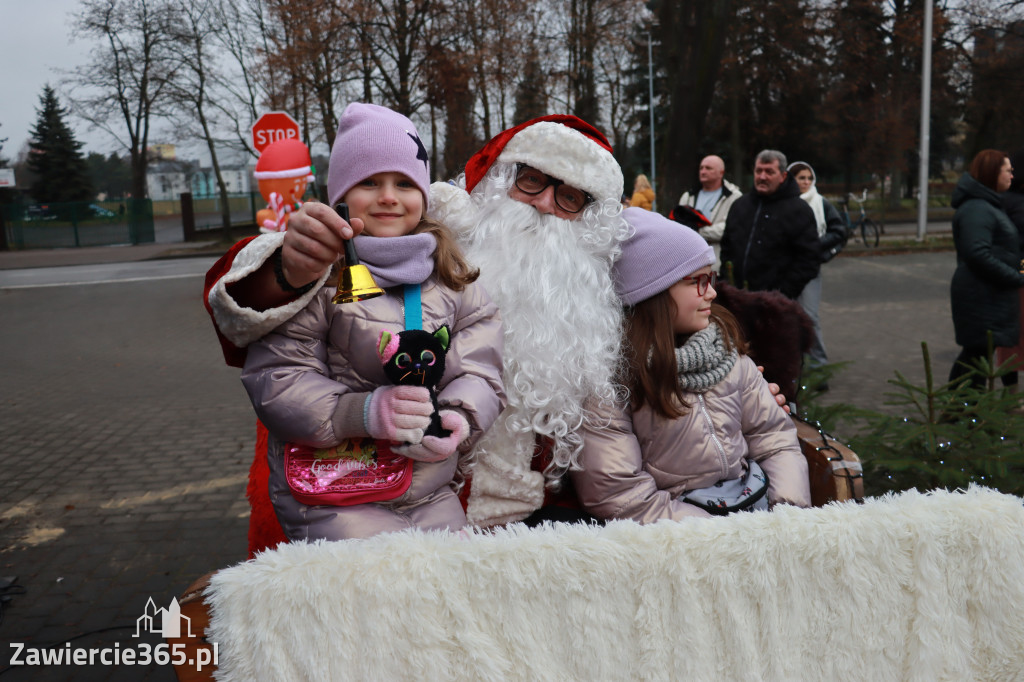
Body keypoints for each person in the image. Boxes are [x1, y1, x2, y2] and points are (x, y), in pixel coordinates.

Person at [234, 102, 505, 541]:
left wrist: (456, 419)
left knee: (449, 599)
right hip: (335, 492)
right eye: (369, 182)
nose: (388, 196)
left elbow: (481, 368)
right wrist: (360, 412)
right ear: (339, 195)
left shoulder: (454, 279)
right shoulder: (317, 275)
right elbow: (278, 377)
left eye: (404, 182)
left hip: (431, 489)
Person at [571, 208, 811, 522]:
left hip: (755, 512)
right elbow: (618, 493)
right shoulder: (611, 383)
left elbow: (774, 438)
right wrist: (712, 536)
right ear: (652, 292)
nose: (711, 292)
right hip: (680, 538)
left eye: (711, 278)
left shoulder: (727, 354)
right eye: (697, 281)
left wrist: (787, 513)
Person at [948, 149, 1024, 390]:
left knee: (975, 357)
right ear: (993, 173)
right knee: (975, 358)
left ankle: (960, 412)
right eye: (1008, 171)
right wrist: (1015, 277)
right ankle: (966, 414)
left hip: (988, 295)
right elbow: (977, 253)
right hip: (981, 296)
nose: (1012, 175)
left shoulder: (988, 205)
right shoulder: (977, 208)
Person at [720, 150, 821, 300]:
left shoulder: (799, 210)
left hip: (776, 305)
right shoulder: (740, 206)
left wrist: (783, 294)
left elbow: (809, 258)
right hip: (737, 298)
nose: (762, 177)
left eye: (769, 172)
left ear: (783, 176)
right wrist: (727, 283)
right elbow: (727, 247)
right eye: (758, 171)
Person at [787, 161, 848, 372]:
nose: (805, 182)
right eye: (800, 178)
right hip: (783, 269)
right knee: (785, 316)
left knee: (809, 316)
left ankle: (818, 366)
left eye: (809, 178)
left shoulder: (820, 203)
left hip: (809, 269)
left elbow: (839, 232)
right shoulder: (784, 203)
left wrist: (817, 249)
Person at [674, 154, 741, 269]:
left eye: (708, 168)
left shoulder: (734, 197)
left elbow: (728, 229)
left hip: (718, 265)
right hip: (690, 265)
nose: (703, 171)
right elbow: (677, 226)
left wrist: (697, 231)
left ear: (721, 172)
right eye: (701, 168)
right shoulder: (688, 196)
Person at [996, 149, 1024, 390]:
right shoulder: (1015, 202)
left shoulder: (1007, 200)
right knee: (1013, 339)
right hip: (1018, 276)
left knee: (1012, 340)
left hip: (1014, 274)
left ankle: (1011, 395)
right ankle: (1011, 397)